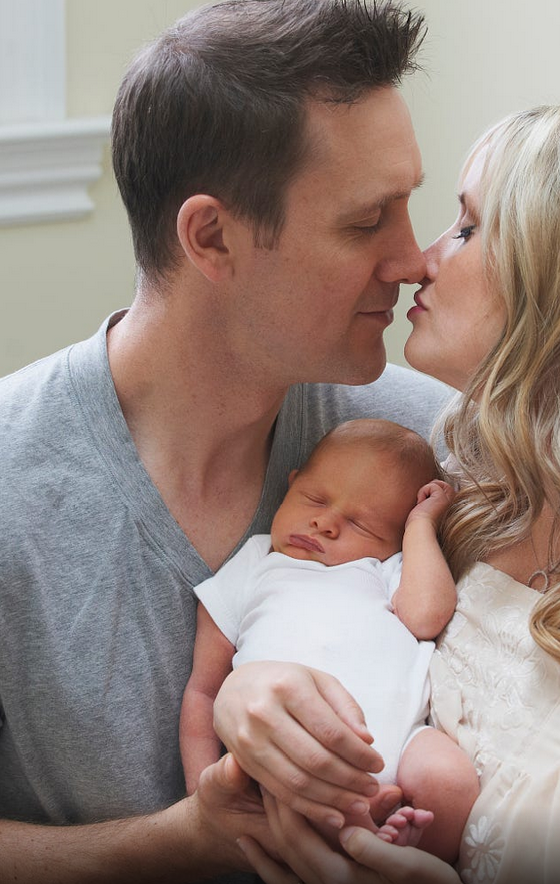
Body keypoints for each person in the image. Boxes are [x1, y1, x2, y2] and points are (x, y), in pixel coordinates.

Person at [211, 95, 560, 884]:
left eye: (467, 228)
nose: (419, 261)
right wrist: (248, 692)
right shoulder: (467, 455)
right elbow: (344, 619)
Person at [0, 2, 454, 882]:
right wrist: (186, 838)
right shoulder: (13, 485)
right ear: (212, 237)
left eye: (410, 207)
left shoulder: (435, 445)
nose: (413, 260)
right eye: (367, 221)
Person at [180, 418, 479, 862]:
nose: (324, 522)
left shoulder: (385, 570)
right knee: (291, 803)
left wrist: (421, 527)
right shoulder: (256, 564)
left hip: (402, 741)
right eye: (314, 499)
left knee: (451, 782)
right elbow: (203, 691)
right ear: (291, 484)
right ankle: (369, 829)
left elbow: (426, 617)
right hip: (289, 752)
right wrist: (202, 794)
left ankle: (405, 855)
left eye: (360, 524)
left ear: (393, 540)